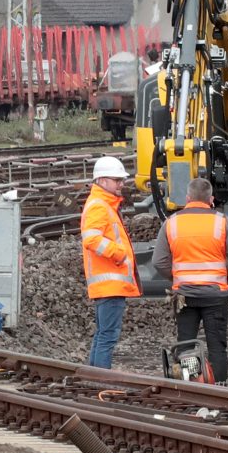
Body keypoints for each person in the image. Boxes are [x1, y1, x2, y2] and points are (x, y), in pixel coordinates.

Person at [151, 178, 228, 382]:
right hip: (216, 295)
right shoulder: (222, 222)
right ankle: (220, 388)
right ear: (211, 199)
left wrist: (176, 277)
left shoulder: (171, 222)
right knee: (217, 346)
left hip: (184, 294)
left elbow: (159, 261)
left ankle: (191, 387)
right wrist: (222, 277)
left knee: (186, 344)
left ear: (187, 198)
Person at [80, 156, 141, 368]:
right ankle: (101, 383)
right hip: (109, 285)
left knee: (103, 335)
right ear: (102, 181)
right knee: (107, 337)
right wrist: (119, 254)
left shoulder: (103, 204)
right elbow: (91, 239)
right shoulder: (99, 206)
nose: (121, 184)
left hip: (107, 285)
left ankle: (94, 379)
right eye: (117, 180)